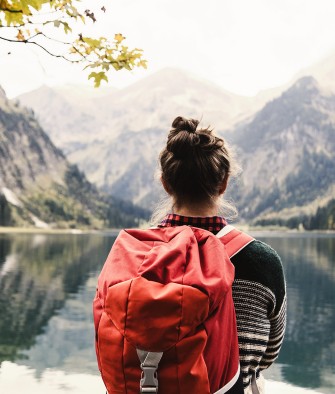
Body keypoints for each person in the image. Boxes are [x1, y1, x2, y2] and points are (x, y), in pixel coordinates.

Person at [152, 116, 287, 394]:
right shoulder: (262, 262)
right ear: (223, 183)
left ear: (166, 184)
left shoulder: (135, 255)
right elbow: (269, 353)